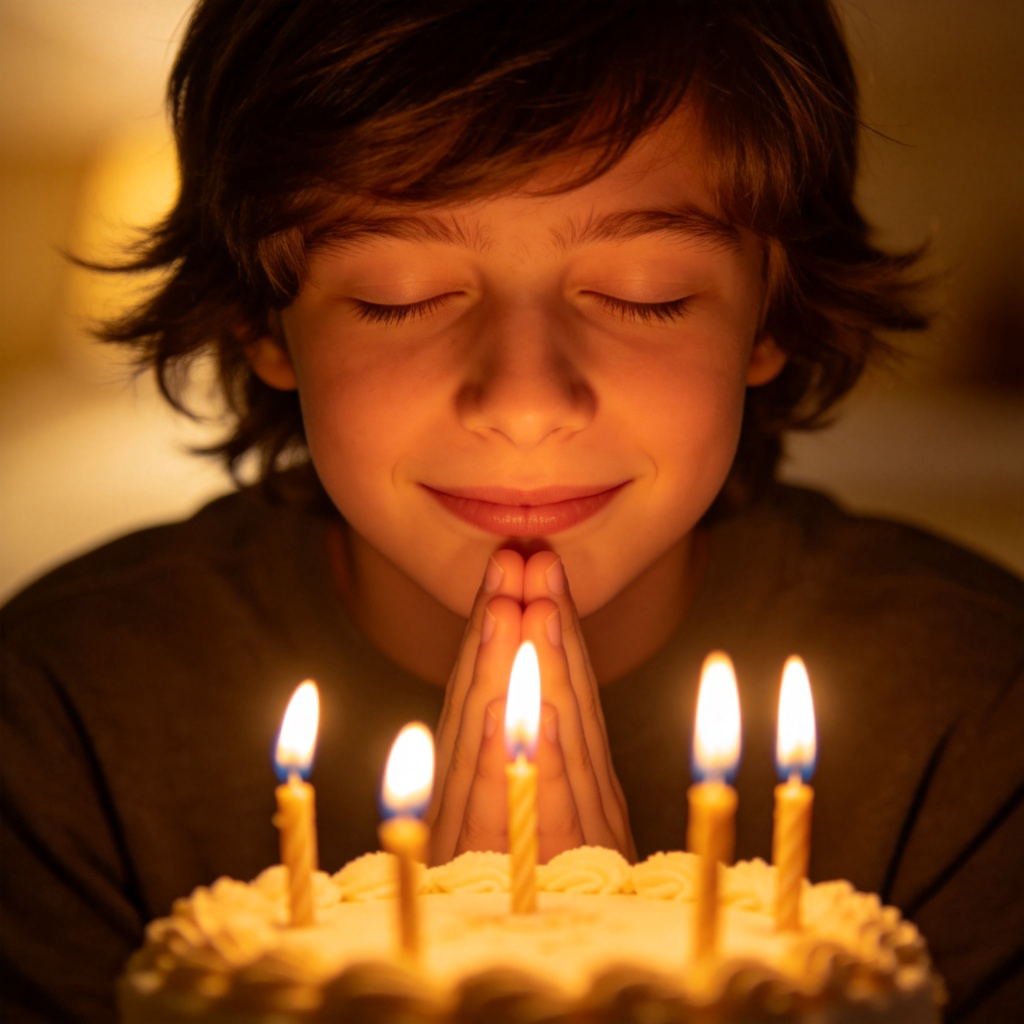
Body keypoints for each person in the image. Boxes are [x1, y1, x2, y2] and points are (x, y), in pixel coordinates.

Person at [2, 1, 1021, 1021]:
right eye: (397, 295)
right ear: (262, 319)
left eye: (646, 292)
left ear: (771, 307)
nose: (526, 401)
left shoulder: (976, 718)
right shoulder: (62, 721)